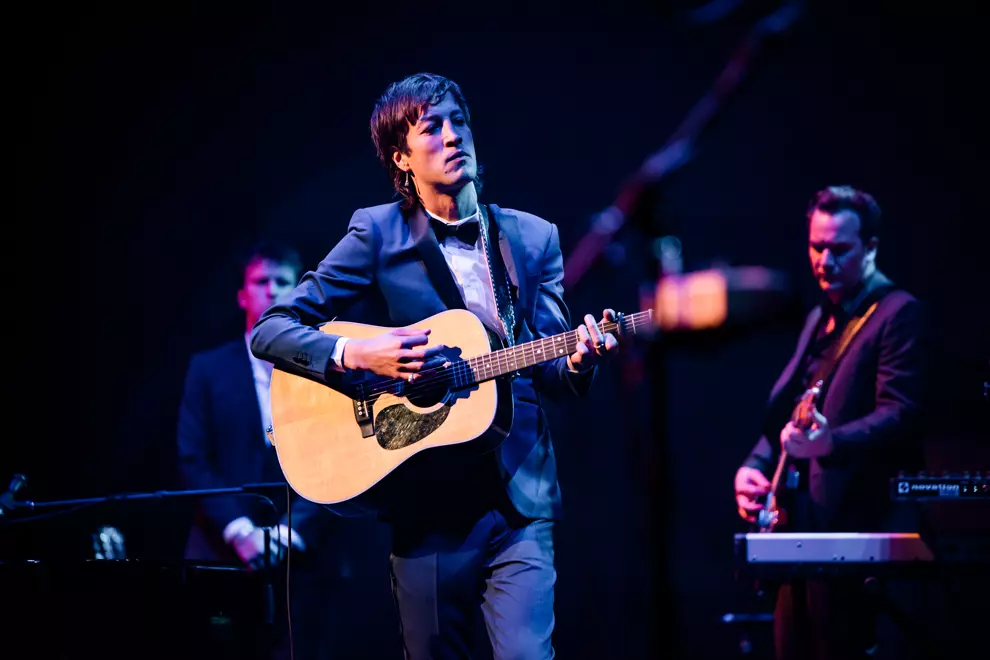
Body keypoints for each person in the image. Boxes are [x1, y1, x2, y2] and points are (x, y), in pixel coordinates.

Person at [249, 72, 621, 659]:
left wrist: (576, 360)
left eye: (460, 122)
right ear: (401, 157)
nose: (453, 137)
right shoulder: (377, 232)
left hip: (520, 495)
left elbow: (550, 369)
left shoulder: (532, 238)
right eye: (433, 128)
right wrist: (357, 352)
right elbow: (271, 329)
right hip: (427, 502)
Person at [733, 185, 928, 659]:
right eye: (816, 247)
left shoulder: (897, 313)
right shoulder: (819, 317)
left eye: (839, 249)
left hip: (856, 527)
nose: (824, 260)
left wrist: (831, 443)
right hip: (802, 532)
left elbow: (901, 414)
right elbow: (783, 416)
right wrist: (752, 467)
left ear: (872, 247)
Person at [177, 241, 396, 659]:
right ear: (243, 294)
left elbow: (343, 453)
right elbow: (193, 460)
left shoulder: (325, 367)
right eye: (261, 281)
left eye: (282, 282)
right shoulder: (207, 369)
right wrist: (240, 532)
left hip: (307, 558)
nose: (272, 291)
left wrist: (290, 532)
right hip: (221, 554)